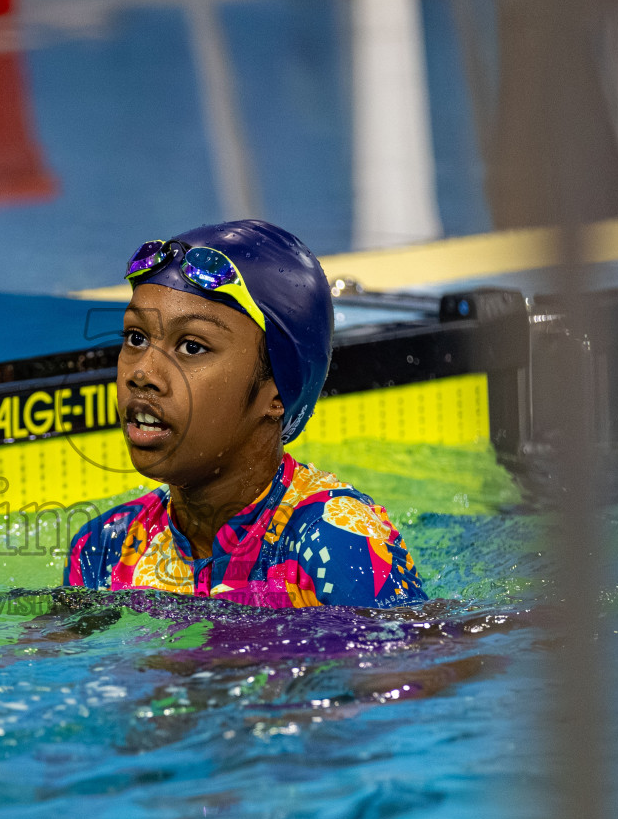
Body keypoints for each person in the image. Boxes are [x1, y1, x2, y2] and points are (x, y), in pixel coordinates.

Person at [63, 220, 426, 609]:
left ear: (277, 391)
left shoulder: (334, 544)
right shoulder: (105, 548)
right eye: (136, 338)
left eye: (191, 347)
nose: (142, 374)